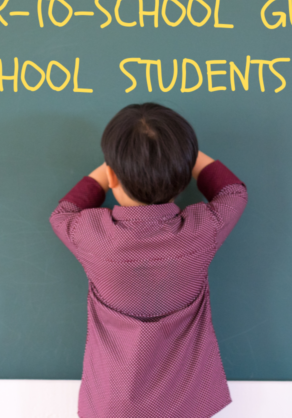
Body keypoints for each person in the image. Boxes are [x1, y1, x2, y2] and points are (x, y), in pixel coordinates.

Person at [50, 103, 248, 418]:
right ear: (185, 177)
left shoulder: (92, 235)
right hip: (187, 402)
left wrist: (111, 168)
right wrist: (184, 158)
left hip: (110, 401)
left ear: (111, 175)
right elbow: (233, 193)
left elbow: (63, 213)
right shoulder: (201, 231)